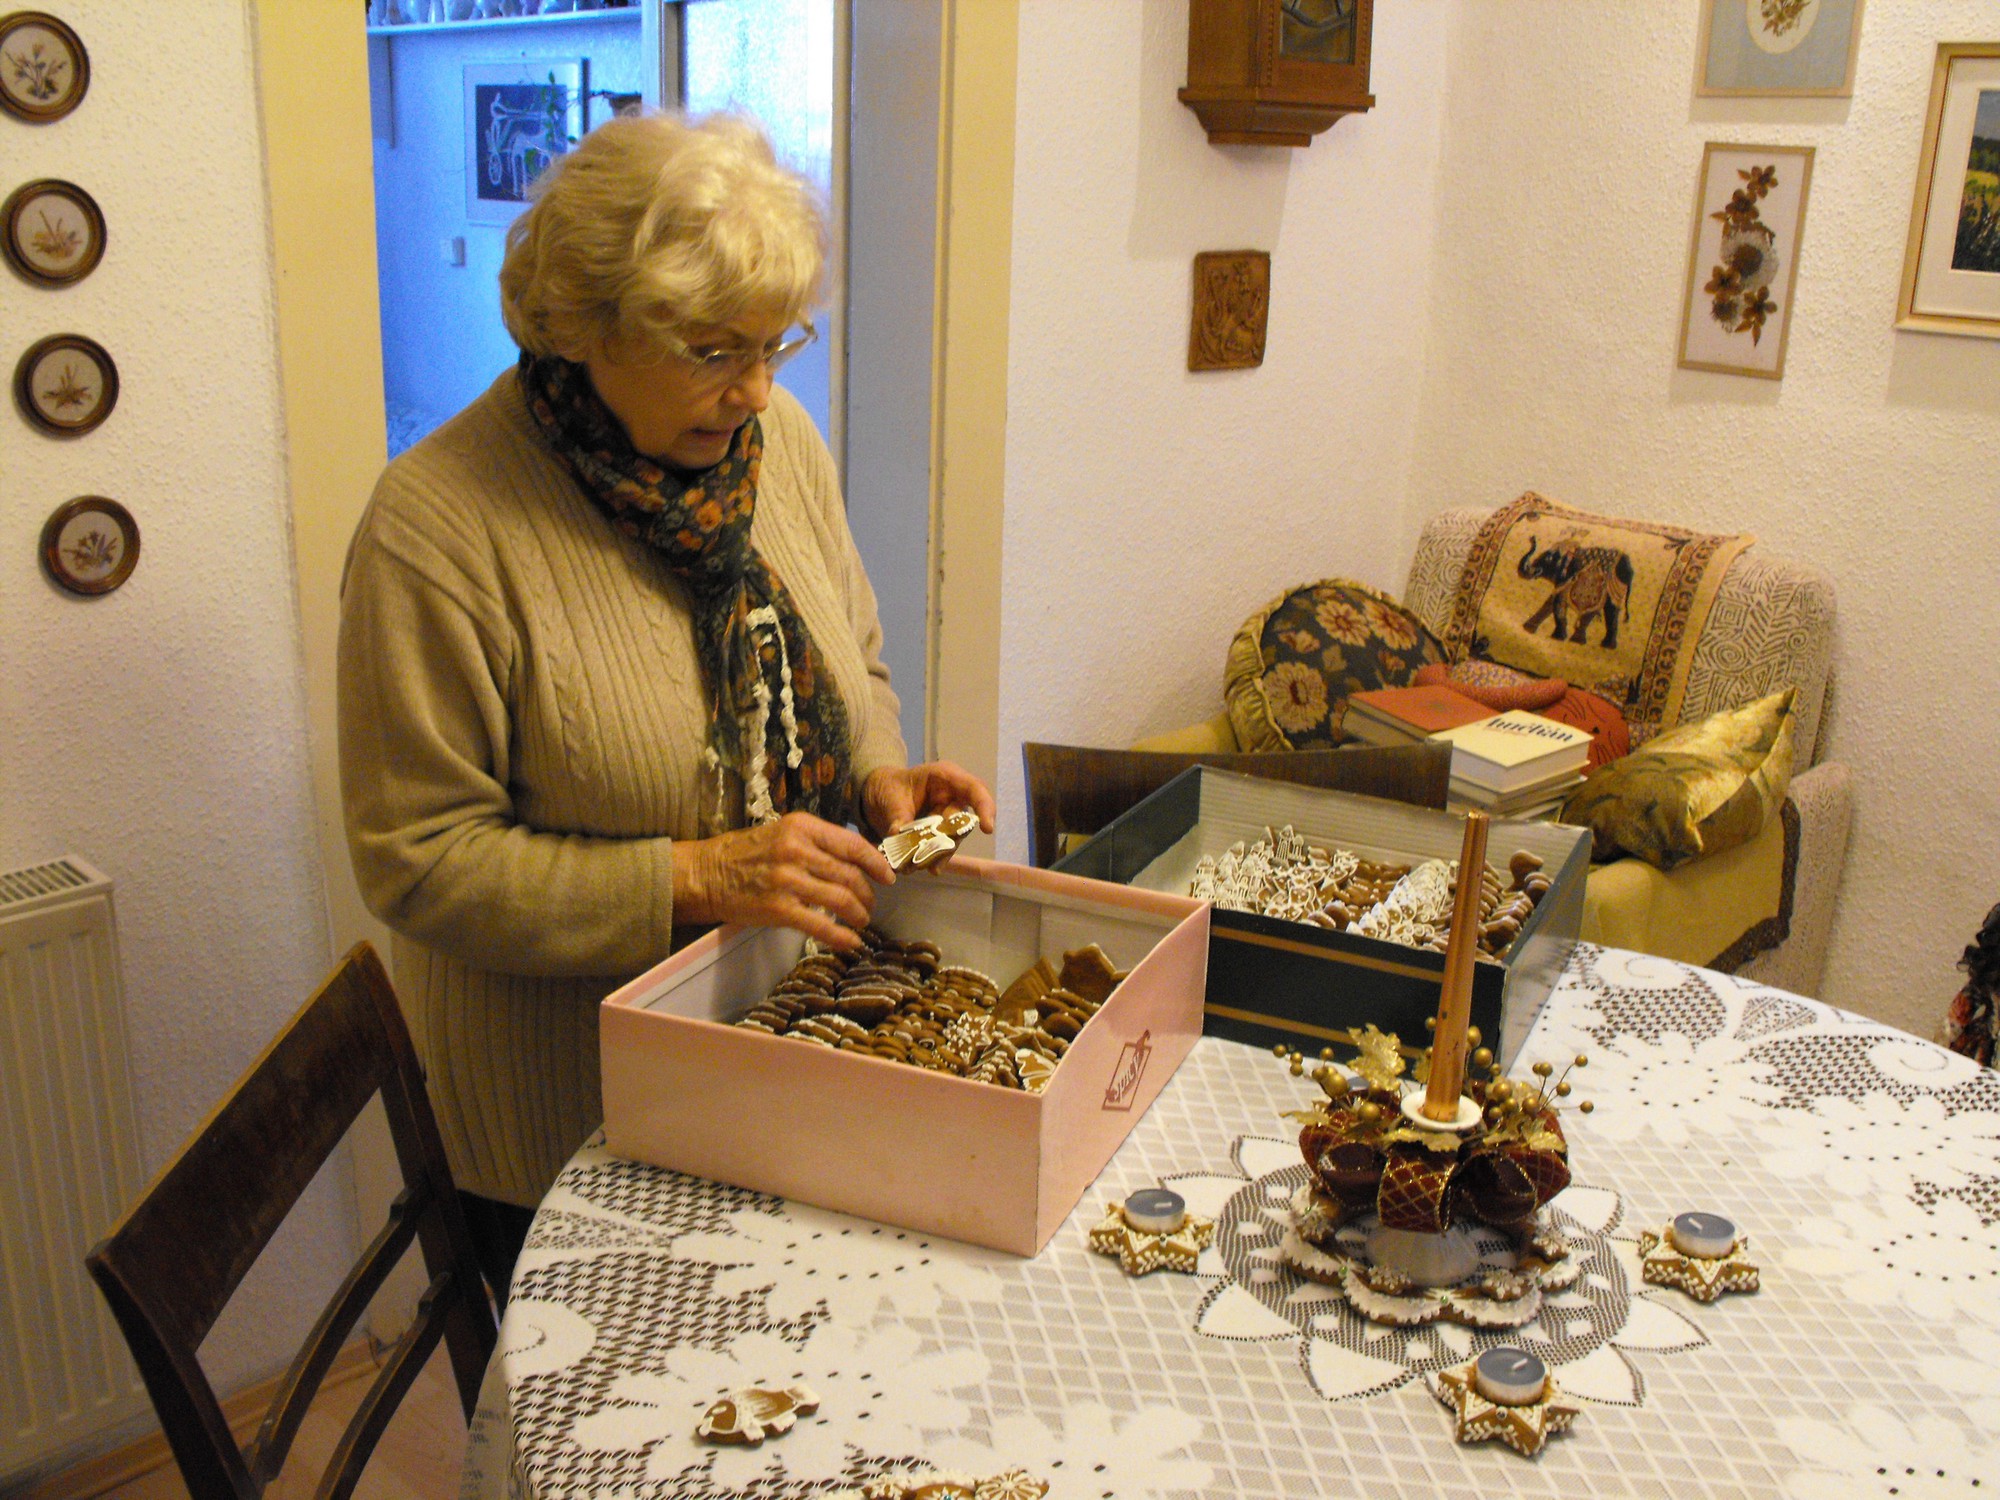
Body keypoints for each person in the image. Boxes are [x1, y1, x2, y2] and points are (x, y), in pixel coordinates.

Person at [336, 112, 994, 1303]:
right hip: (569, 1128)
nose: (753, 388)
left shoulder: (777, 443)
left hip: (788, 1048)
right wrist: (693, 876)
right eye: (709, 350)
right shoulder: (434, 530)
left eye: (773, 344)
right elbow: (416, 863)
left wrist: (877, 775)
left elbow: (855, 657)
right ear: (582, 324)